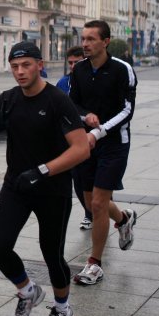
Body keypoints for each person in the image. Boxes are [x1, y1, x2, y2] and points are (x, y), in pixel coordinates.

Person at [0, 41, 89, 316]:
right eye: (14, 67)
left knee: (52, 253)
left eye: (25, 65)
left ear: (40, 64)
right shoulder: (7, 99)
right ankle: (27, 291)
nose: (20, 72)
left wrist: (43, 170)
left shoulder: (57, 101)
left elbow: (81, 149)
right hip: (16, 185)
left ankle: (62, 309)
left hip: (53, 187)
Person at [70, 20, 138, 286]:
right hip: (86, 143)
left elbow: (127, 110)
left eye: (91, 39)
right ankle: (123, 219)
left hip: (113, 144)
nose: (85, 43)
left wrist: (98, 131)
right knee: (91, 203)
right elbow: (72, 102)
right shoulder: (79, 70)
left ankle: (94, 264)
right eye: (83, 38)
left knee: (98, 204)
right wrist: (85, 116)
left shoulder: (123, 70)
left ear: (105, 41)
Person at [56, 45, 93, 231]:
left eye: (76, 62)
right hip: (69, 139)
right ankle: (89, 213)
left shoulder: (90, 81)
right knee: (77, 179)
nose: (72, 66)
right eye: (69, 62)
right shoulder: (63, 83)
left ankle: (98, 210)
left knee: (94, 181)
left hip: (90, 137)